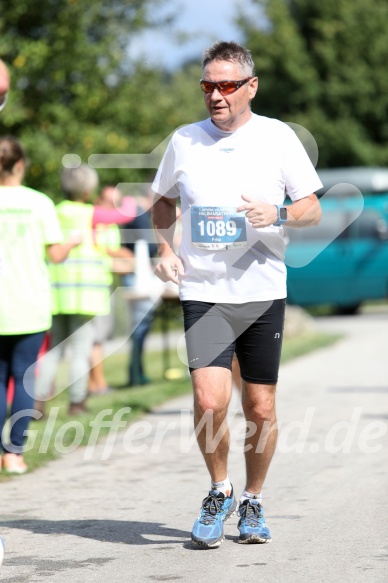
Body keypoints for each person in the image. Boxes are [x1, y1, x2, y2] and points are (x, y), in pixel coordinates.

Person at [152, 41, 322, 547]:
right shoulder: (184, 140)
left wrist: (280, 213)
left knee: (261, 408)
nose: (215, 95)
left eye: (226, 85)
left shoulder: (277, 138)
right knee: (209, 400)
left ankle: (253, 500)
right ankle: (218, 489)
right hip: (203, 291)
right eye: (208, 85)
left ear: (250, 86)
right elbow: (161, 201)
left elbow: (312, 207)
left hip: (262, 292)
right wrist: (165, 249)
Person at [0, 136, 81, 474]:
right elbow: (55, 254)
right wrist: (73, 240)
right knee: (23, 377)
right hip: (30, 306)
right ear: (20, 164)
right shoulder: (39, 203)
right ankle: (14, 453)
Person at [34, 166, 136, 415]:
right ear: (89, 189)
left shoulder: (54, 212)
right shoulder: (91, 214)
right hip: (87, 296)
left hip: (57, 294)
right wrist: (134, 198)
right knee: (81, 352)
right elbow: (126, 214)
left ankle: (36, 402)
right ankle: (77, 402)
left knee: (54, 350)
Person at [88, 186, 134, 394]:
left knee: (98, 337)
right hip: (94, 285)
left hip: (103, 281)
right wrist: (124, 256)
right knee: (96, 338)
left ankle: (93, 384)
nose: (111, 206)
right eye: (108, 201)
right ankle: (99, 385)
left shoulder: (110, 224)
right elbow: (102, 252)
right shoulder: (97, 221)